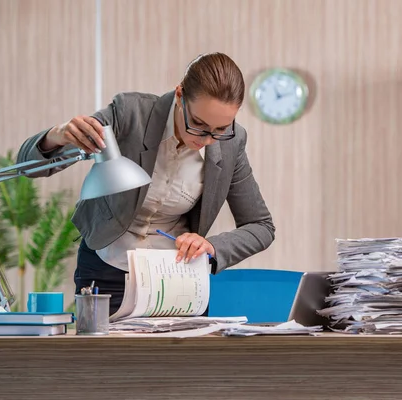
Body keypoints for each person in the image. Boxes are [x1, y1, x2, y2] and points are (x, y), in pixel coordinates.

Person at [17, 52, 275, 315]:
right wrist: (56, 137)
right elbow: (28, 168)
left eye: (220, 129)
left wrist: (212, 246)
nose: (208, 139)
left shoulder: (232, 142)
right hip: (106, 269)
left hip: (179, 278)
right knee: (109, 356)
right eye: (198, 123)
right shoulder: (131, 113)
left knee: (181, 357)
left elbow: (261, 226)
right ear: (179, 95)